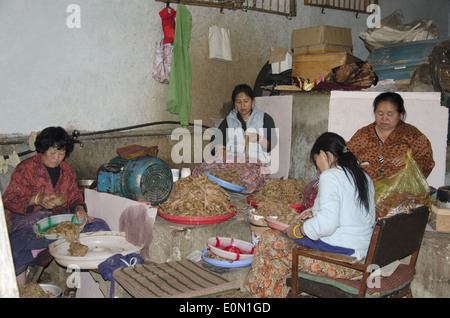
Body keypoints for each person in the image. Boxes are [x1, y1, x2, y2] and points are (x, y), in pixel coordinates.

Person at [243, 132, 375, 298]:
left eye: (316, 159)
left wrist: (298, 230)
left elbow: (327, 224)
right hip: (362, 257)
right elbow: (352, 211)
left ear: (324, 154)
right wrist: (316, 210)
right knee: (278, 261)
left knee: (270, 239)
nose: (317, 165)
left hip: (341, 262)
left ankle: (259, 296)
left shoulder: (330, 176)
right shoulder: (363, 176)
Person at [2, 126, 109, 286]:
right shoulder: (26, 169)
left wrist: (79, 209)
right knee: (16, 247)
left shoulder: (67, 171)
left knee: (98, 225)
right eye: (52, 152)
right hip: (27, 221)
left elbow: (74, 196)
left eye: (62, 153)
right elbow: (9, 199)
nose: (57, 158)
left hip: (58, 219)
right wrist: (37, 199)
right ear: (43, 149)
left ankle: (106, 267)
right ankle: (20, 288)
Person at [192, 84, 277, 193]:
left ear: (252, 101)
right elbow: (216, 138)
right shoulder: (230, 120)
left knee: (247, 177)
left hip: (255, 161)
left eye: (246, 101)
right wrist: (220, 147)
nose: (242, 105)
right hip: (232, 159)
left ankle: (227, 185)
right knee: (203, 170)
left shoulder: (264, 118)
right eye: (238, 102)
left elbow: (272, 144)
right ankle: (225, 185)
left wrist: (259, 138)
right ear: (234, 103)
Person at [347, 92, 435, 182]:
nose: (384, 118)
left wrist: (410, 162)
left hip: (400, 190)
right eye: (380, 113)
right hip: (367, 187)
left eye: (390, 114)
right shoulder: (363, 134)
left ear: (400, 115)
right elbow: (346, 156)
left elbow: (427, 161)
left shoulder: (412, 135)